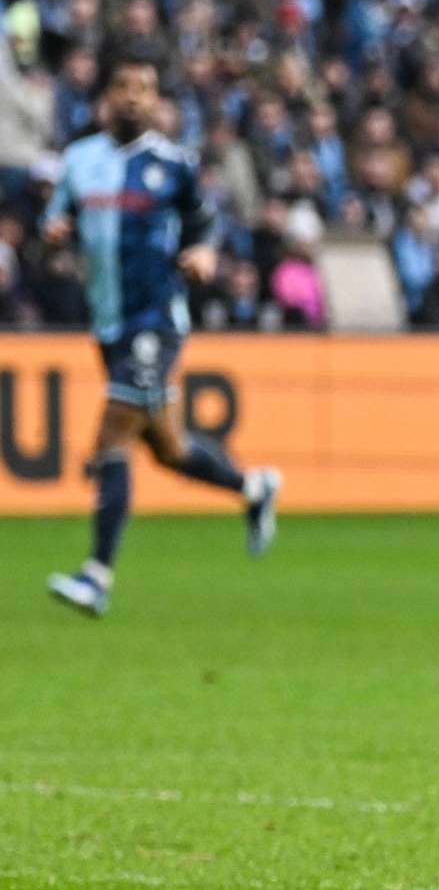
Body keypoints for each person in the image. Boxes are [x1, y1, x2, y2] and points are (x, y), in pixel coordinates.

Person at [40, 54, 281, 618]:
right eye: (123, 86)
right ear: (106, 98)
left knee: (112, 436)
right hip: (108, 323)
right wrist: (52, 234)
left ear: (156, 101)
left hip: (156, 318)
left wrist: (203, 251)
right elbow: (57, 220)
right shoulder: (79, 161)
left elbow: (206, 222)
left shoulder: (174, 164)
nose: (133, 97)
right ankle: (253, 488)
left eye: (144, 88)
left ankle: (96, 575)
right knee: (168, 449)